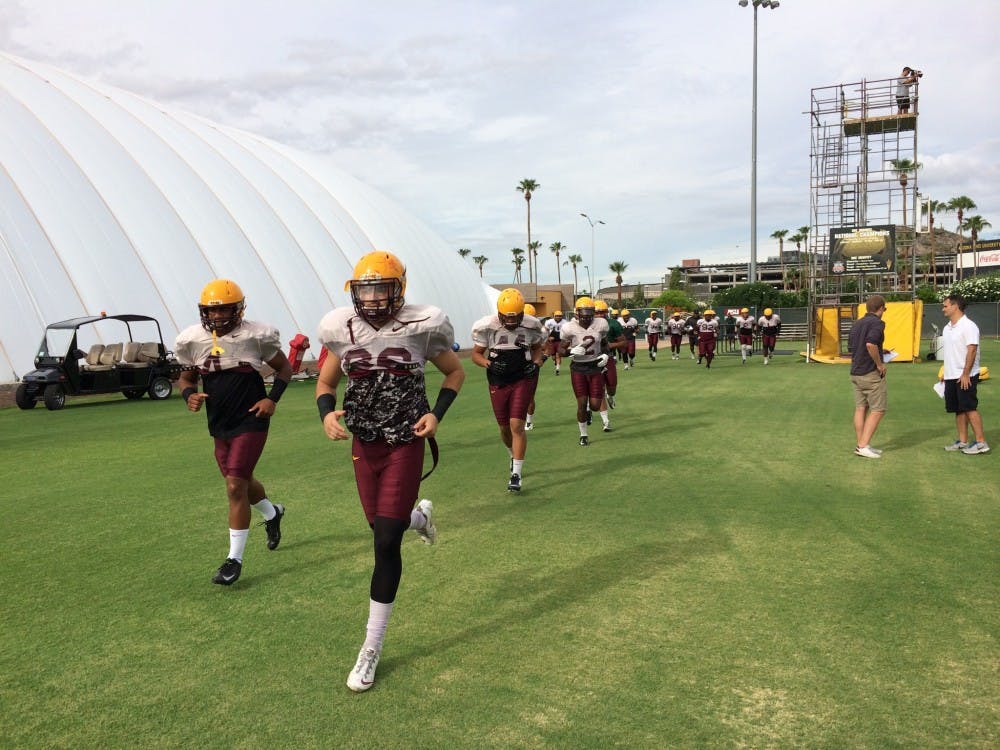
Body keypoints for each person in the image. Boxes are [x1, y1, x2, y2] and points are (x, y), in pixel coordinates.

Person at [315, 251, 465, 692]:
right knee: (385, 526)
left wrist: (437, 414)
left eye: (383, 288)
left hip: (404, 439)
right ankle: (419, 518)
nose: (375, 297)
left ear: (399, 288)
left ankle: (370, 648)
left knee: (384, 540)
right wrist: (327, 414)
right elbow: (325, 383)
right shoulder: (343, 330)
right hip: (365, 442)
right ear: (354, 292)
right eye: (367, 289)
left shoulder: (423, 326)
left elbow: (454, 374)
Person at [175, 279, 293, 586]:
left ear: (238, 309)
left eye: (224, 310)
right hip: (220, 425)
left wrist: (271, 398)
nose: (217, 318)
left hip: (251, 418)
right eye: (211, 312)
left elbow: (285, 368)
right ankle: (272, 514)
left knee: (233, 487)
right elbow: (186, 378)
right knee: (241, 483)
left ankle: (234, 560)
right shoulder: (193, 340)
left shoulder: (255, 336)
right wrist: (189, 395)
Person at [471, 289, 545, 491]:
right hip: (497, 380)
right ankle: (512, 455)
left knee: (516, 426)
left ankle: (516, 474)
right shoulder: (487, 326)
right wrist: (489, 364)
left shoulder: (531, 325)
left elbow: (538, 348)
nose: (511, 323)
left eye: (515, 318)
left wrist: (536, 363)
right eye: (507, 318)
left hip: (522, 378)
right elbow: (476, 354)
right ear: (499, 313)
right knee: (504, 428)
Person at [939, 294, 989, 454]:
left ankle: (981, 443)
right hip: (951, 375)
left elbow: (972, 350)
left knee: (969, 407)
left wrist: (966, 374)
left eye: (945, 306)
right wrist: (945, 373)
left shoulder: (969, 326)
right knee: (958, 409)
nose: (943, 309)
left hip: (966, 375)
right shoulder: (947, 328)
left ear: (955, 306)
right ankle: (962, 441)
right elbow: (951, 352)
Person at [559, 296, 611, 444]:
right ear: (577, 314)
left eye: (590, 314)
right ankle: (583, 435)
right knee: (581, 403)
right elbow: (560, 350)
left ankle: (590, 412)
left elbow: (605, 344)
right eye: (584, 315)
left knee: (595, 405)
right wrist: (571, 351)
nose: (587, 318)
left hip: (595, 367)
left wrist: (606, 355)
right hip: (578, 368)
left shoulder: (601, 324)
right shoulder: (569, 327)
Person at [848, 295, 887, 459]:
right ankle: (863, 446)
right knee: (878, 409)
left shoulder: (857, 323)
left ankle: (862, 443)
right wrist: (879, 364)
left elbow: (851, 347)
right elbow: (870, 343)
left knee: (861, 408)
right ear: (880, 308)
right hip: (869, 372)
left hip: (855, 371)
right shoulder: (877, 323)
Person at [595, 299, 625, 410]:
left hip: (608, 357)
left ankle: (610, 395)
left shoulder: (613, 323)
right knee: (598, 387)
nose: (599, 315)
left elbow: (624, 342)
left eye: (602, 312)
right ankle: (602, 417)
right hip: (592, 359)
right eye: (597, 312)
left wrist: (610, 345)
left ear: (606, 312)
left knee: (612, 385)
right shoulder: (588, 324)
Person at [522, 303, 539, 431]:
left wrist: (538, 362)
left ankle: (529, 420)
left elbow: (546, 349)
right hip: (514, 366)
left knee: (529, 396)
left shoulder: (537, 330)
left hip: (530, 366)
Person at [544, 310, 565, 375]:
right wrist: (548, 338)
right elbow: (545, 331)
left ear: (562, 316)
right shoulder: (549, 322)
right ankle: (555, 363)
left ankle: (557, 369)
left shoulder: (565, 322)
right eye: (557, 316)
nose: (558, 317)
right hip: (551, 341)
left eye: (560, 316)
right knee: (553, 356)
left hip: (560, 340)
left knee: (558, 355)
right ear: (554, 316)